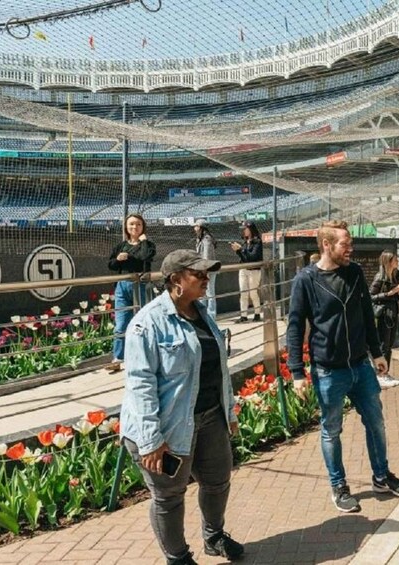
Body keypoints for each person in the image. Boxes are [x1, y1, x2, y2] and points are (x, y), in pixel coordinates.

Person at [120, 249, 243, 565]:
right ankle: (177, 558)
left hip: (209, 418)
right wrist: (150, 440)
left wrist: (228, 412)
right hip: (165, 428)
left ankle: (214, 536)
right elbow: (139, 386)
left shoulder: (202, 313)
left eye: (206, 274)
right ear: (175, 280)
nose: (206, 279)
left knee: (218, 481)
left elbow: (218, 370)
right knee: (169, 497)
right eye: (198, 274)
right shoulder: (147, 324)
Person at [286, 220, 399, 513]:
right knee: (331, 430)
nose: (350, 249)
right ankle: (339, 486)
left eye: (351, 243)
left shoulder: (354, 273)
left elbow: (368, 315)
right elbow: (295, 327)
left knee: (376, 422)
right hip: (328, 370)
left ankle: (382, 477)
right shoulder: (306, 280)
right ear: (327, 245)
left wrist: (377, 353)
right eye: (345, 244)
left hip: (360, 366)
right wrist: (296, 372)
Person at [107, 213, 156, 373]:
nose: (134, 227)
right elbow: (111, 265)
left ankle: (144, 355)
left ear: (143, 227)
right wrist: (119, 259)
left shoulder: (148, 244)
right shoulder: (121, 246)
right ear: (126, 227)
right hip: (123, 286)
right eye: (131, 224)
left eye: (138, 224)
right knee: (121, 324)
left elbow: (145, 257)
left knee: (142, 322)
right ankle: (118, 358)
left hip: (140, 286)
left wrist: (142, 242)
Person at [370, 251, 399, 389]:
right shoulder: (380, 277)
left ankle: (385, 372)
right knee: (383, 344)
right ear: (388, 262)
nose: (397, 262)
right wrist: (389, 293)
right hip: (383, 313)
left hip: (393, 312)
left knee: (389, 345)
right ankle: (380, 374)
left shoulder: (398, 275)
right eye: (395, 260)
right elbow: (370, 296)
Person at [230, 220, 262, 323]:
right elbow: (244, 257)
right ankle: (243, 315)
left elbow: (253, 256)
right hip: (243, 269)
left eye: (245, 229)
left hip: (254, 270)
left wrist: (241, 250)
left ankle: (257, 313)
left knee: (253, 292)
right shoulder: (245, 241)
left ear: (250, 229)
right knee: (243, 293)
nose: (244, 231)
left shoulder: (257, 241)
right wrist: (238, 250)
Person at [194, 219, 217, 319]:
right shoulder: (200, 238)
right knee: (202, 292)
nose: (195, 228)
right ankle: (202, 313)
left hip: (208, 269)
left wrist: (204, 269)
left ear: (201, 227)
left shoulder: (207, 239)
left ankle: (211, 315)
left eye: (196, 226)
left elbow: (206, 256)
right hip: (202, 269)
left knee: (209, 292)